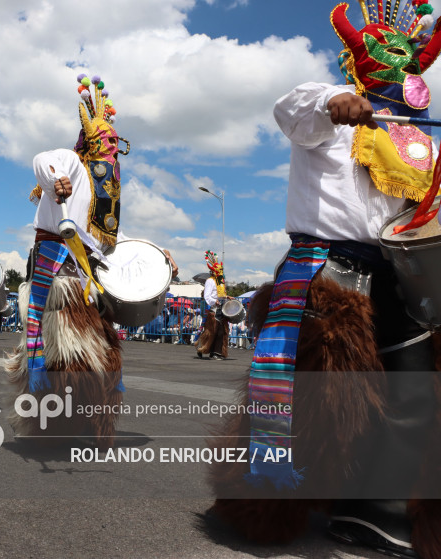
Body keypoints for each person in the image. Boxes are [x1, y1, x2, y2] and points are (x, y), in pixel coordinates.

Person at [209, 3, 441, 558]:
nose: (400, 65)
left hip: (398, 275)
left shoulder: (421, 143)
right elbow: (291, 109)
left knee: (414, 389)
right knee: (317, 402)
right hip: (326, 272)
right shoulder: (331, 111)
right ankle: (266, 501)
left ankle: (376, 509)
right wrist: (332, 101)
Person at [6, 73, 178, 449]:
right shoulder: (70, 163)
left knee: (109, 360)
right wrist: (55, 179)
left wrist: (159, 258)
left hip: (90, 286)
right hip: (58, 281)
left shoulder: (106, 200)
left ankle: (89, 424)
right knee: (70, 362)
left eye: (116, 142)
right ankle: (55, 426)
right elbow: (42, 159)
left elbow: (112, 245)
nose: (113, 147)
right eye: (106, 140)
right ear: (89, 142)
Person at [196, 251, 229, 360]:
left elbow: (221, 294)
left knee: (222, 332)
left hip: (222, 309)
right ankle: (203, 348)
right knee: (212, 331)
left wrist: (227, 297)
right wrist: (214, 301)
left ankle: (216, 352)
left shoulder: (221, 282)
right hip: (214, 309)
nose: (221, 272)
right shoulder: (210, 281)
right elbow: (207, 296)